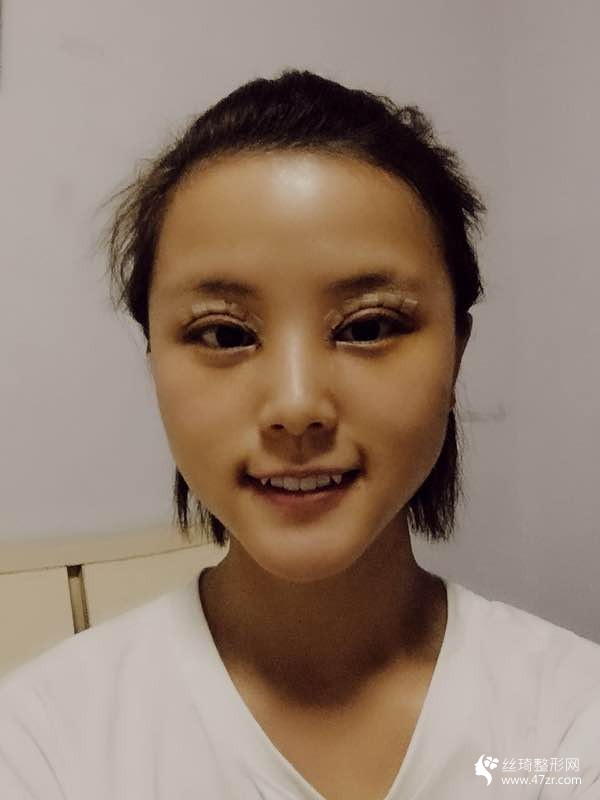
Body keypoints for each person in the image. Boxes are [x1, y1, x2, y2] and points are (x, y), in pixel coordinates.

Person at [0, 68, 598, 800]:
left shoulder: (563, 730)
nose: (296, 405)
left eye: (369, 327)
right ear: (153, 357)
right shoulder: (45, 746)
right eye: (224, 334)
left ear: (457, 350)